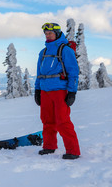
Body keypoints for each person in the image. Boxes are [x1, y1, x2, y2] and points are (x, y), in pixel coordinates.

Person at [34, 22, 81, 159]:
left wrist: (72, 92)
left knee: (62, 121)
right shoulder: (43, 52)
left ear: (57, 33)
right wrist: (37, 90)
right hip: (45, 92)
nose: (48, 36)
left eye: (50, 33)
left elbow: (73, 72)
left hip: (60, 91)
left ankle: (73, 151)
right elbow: (39, 73)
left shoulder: (65, 50)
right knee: (47, 120)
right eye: (46, 33)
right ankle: (49, 146)